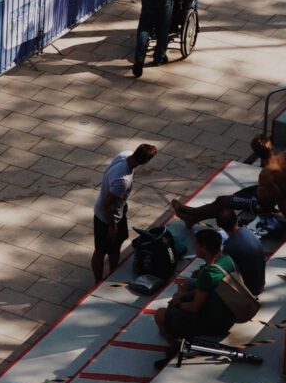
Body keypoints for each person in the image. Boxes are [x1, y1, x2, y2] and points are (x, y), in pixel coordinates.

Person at [155, 223, 248, 362]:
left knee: (159, 315)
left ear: (203, 248)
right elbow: (207, 288)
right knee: (184, 287)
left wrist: (178, 303)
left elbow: (194, 308)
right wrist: (184, 296)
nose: (194, 247)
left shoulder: (208, 274)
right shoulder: (227, 260)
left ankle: (174, 346)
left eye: (196, 244)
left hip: (215, 323)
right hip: (228, 314)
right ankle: (177, 324)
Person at [92, 143, 158, 281]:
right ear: (145, 161)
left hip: (116, 212)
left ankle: (113, 272)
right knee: (101, 250)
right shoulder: (123, 180)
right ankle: (99, 281)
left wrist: (122, 206)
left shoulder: (124, 154)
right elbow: (106, 205)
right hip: (107, 217)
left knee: (116, 243)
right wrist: (112, 225)